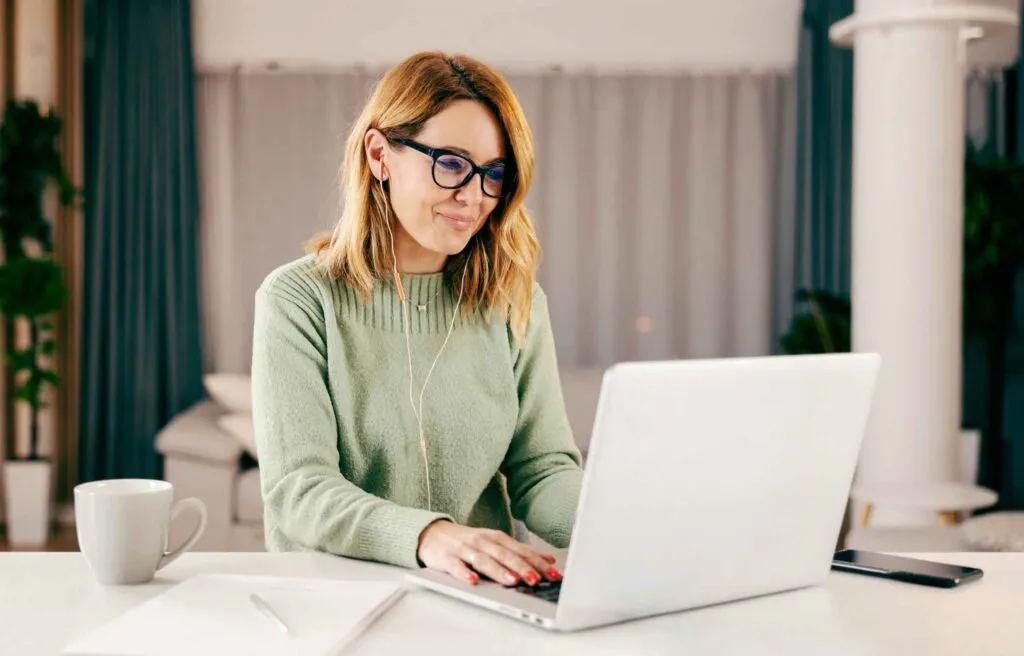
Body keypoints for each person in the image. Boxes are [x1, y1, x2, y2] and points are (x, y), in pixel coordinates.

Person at [251, 51, 584, 588]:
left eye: (493, 174)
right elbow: (300, 489)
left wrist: (621, 516)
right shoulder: (298, 299)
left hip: (484, 598)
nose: (474, 196)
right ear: (380, 155)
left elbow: (542, 470)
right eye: (451, 163)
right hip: (335, 602)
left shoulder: (512, 300)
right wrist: (431, 536)